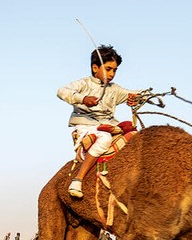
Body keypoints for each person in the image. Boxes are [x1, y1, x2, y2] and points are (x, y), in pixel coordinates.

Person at [58, 45, 140, 198]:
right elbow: (62, 91)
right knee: (105, 139)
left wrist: (141, 96)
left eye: (115, 70)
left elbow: (132, 93)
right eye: (108, 69)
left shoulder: (114, 89)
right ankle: (78, 179)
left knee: (135, 135)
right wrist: (83, 99)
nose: (112, 74)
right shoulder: (83, 84)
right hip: (87, 126)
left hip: (108, 125)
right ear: (95, 68)